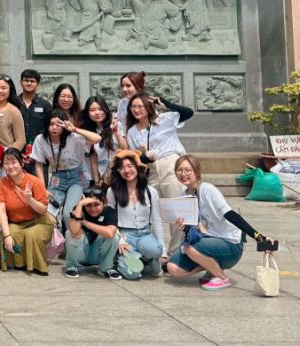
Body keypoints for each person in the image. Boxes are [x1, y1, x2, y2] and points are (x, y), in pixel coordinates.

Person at [166, 154, 277, 291]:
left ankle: (221, 277)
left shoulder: (207, 189)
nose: (183, 174)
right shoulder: (184, 196)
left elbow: (230, 214)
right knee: (173, 268)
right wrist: (183, 228)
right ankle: (211, 267)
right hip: (207, 242)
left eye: (188, 170)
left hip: (230, 244)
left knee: (190, 248)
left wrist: (260, 237)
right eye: (179, 170)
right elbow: (195, 230)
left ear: (197, 170)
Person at [123, 91, 194, 254]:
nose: (136, 110)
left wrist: (165, 102)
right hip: (151, 170)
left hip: (170, 165)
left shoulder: (163, 120)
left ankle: (176, 252)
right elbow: (136, 156)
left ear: (148, 107)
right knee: (151, 210)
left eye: (140, 106)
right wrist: (144, 157)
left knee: (178, 209)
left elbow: (188, 113)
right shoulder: (132, 131)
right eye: (133, 107)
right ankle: (157, 251)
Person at [30, 109, 101, 230]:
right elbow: (39, 164)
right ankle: (56, 244)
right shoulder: (41, 139)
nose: (54, 128)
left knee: (68, 214)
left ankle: (72, 242)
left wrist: (74, 129)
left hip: (76, 177)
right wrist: (42, 188)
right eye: (51, 124)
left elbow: (97, 138)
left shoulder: (74, 137)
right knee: (49, 211)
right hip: (57, 176)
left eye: (58, 125)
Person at [0, 147, 54, 275]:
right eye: (6, 163)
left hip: (39, 221)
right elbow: (1, 212)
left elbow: (43, 210)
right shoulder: (0, 184)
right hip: (16, 222)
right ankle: (18, 263)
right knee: (8, 235)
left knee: (31, 235)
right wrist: (8, 235)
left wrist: (30, 200)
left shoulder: (35, 182)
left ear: (22, 163)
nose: (10, 166)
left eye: (14, 162)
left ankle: (38, 266)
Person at [107, 150, 164, 280]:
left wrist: (164, 251)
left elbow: (157, 220)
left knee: (155, 250)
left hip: (145, 234)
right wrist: (119, 240)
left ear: (137, 167)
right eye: (121, 168)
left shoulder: (151, 191)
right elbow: (110, 220)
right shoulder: (112, 191)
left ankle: (150, 259)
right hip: (126, 236)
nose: (126, 170)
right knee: (133, 274)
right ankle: (135, 258)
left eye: (130, 166)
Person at [64, 184, 121, 279]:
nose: (93, 209)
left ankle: (106, 268)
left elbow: (110, 233)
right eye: (88, 205)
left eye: (96, 204)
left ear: (105, 202)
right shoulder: (79, 209)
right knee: (69, 233)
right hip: (81, 254)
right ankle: (73, 266)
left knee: (114, 237)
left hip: (97, 255)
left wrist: (85, 223)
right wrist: (80, 205)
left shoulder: (110, 211)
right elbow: (73, 231)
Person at [80, 96, 120, 182]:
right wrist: (97, 181)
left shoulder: (116, 123)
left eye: (100, 109)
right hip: (104, 176)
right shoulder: (89, 131)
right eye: (92, 110)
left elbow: (125, 148)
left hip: (120, 173)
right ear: (87, 113)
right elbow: (93, 158)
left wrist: (116, 130)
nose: (97, 113)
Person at [18, 69, 52, 146]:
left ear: (38, 84)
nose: (29, 83)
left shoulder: (45, 105)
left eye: (32, 81)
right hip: (16, 151)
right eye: (26, 80)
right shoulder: (14, 103)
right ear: (21, 83)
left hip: (39, 149)